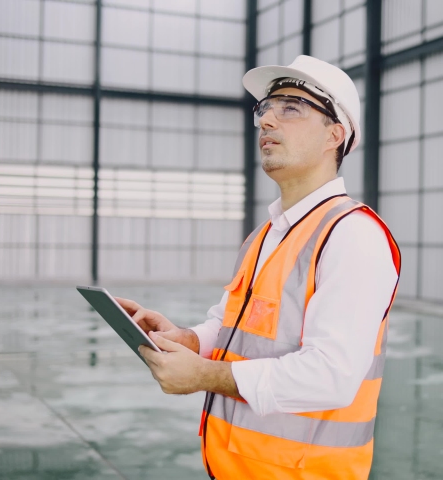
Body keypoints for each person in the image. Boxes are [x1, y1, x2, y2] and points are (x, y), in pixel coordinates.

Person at [116, 55, 401, 480]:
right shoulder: (266, 234)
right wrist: (190, 340)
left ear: (334, 135)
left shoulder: (352, 235)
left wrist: (205, 376)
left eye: (290, 108)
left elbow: (331, 376)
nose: (267, 120)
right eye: (265, 109)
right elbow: (236, 324)